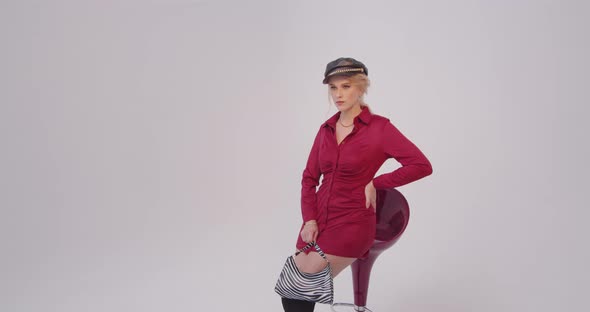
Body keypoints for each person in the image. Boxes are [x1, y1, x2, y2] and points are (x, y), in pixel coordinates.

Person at [280, 57, 432, 312]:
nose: (338, 94)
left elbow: (421, 165)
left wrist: (377, 182)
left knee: (300, 290)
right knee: (291, 292)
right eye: (333, 87)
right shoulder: (325, 129)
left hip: (353, 222)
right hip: (318, 220)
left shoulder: (380, 129)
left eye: (346, 86)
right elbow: (309, 178)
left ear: (361, 88)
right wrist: (309, 219)